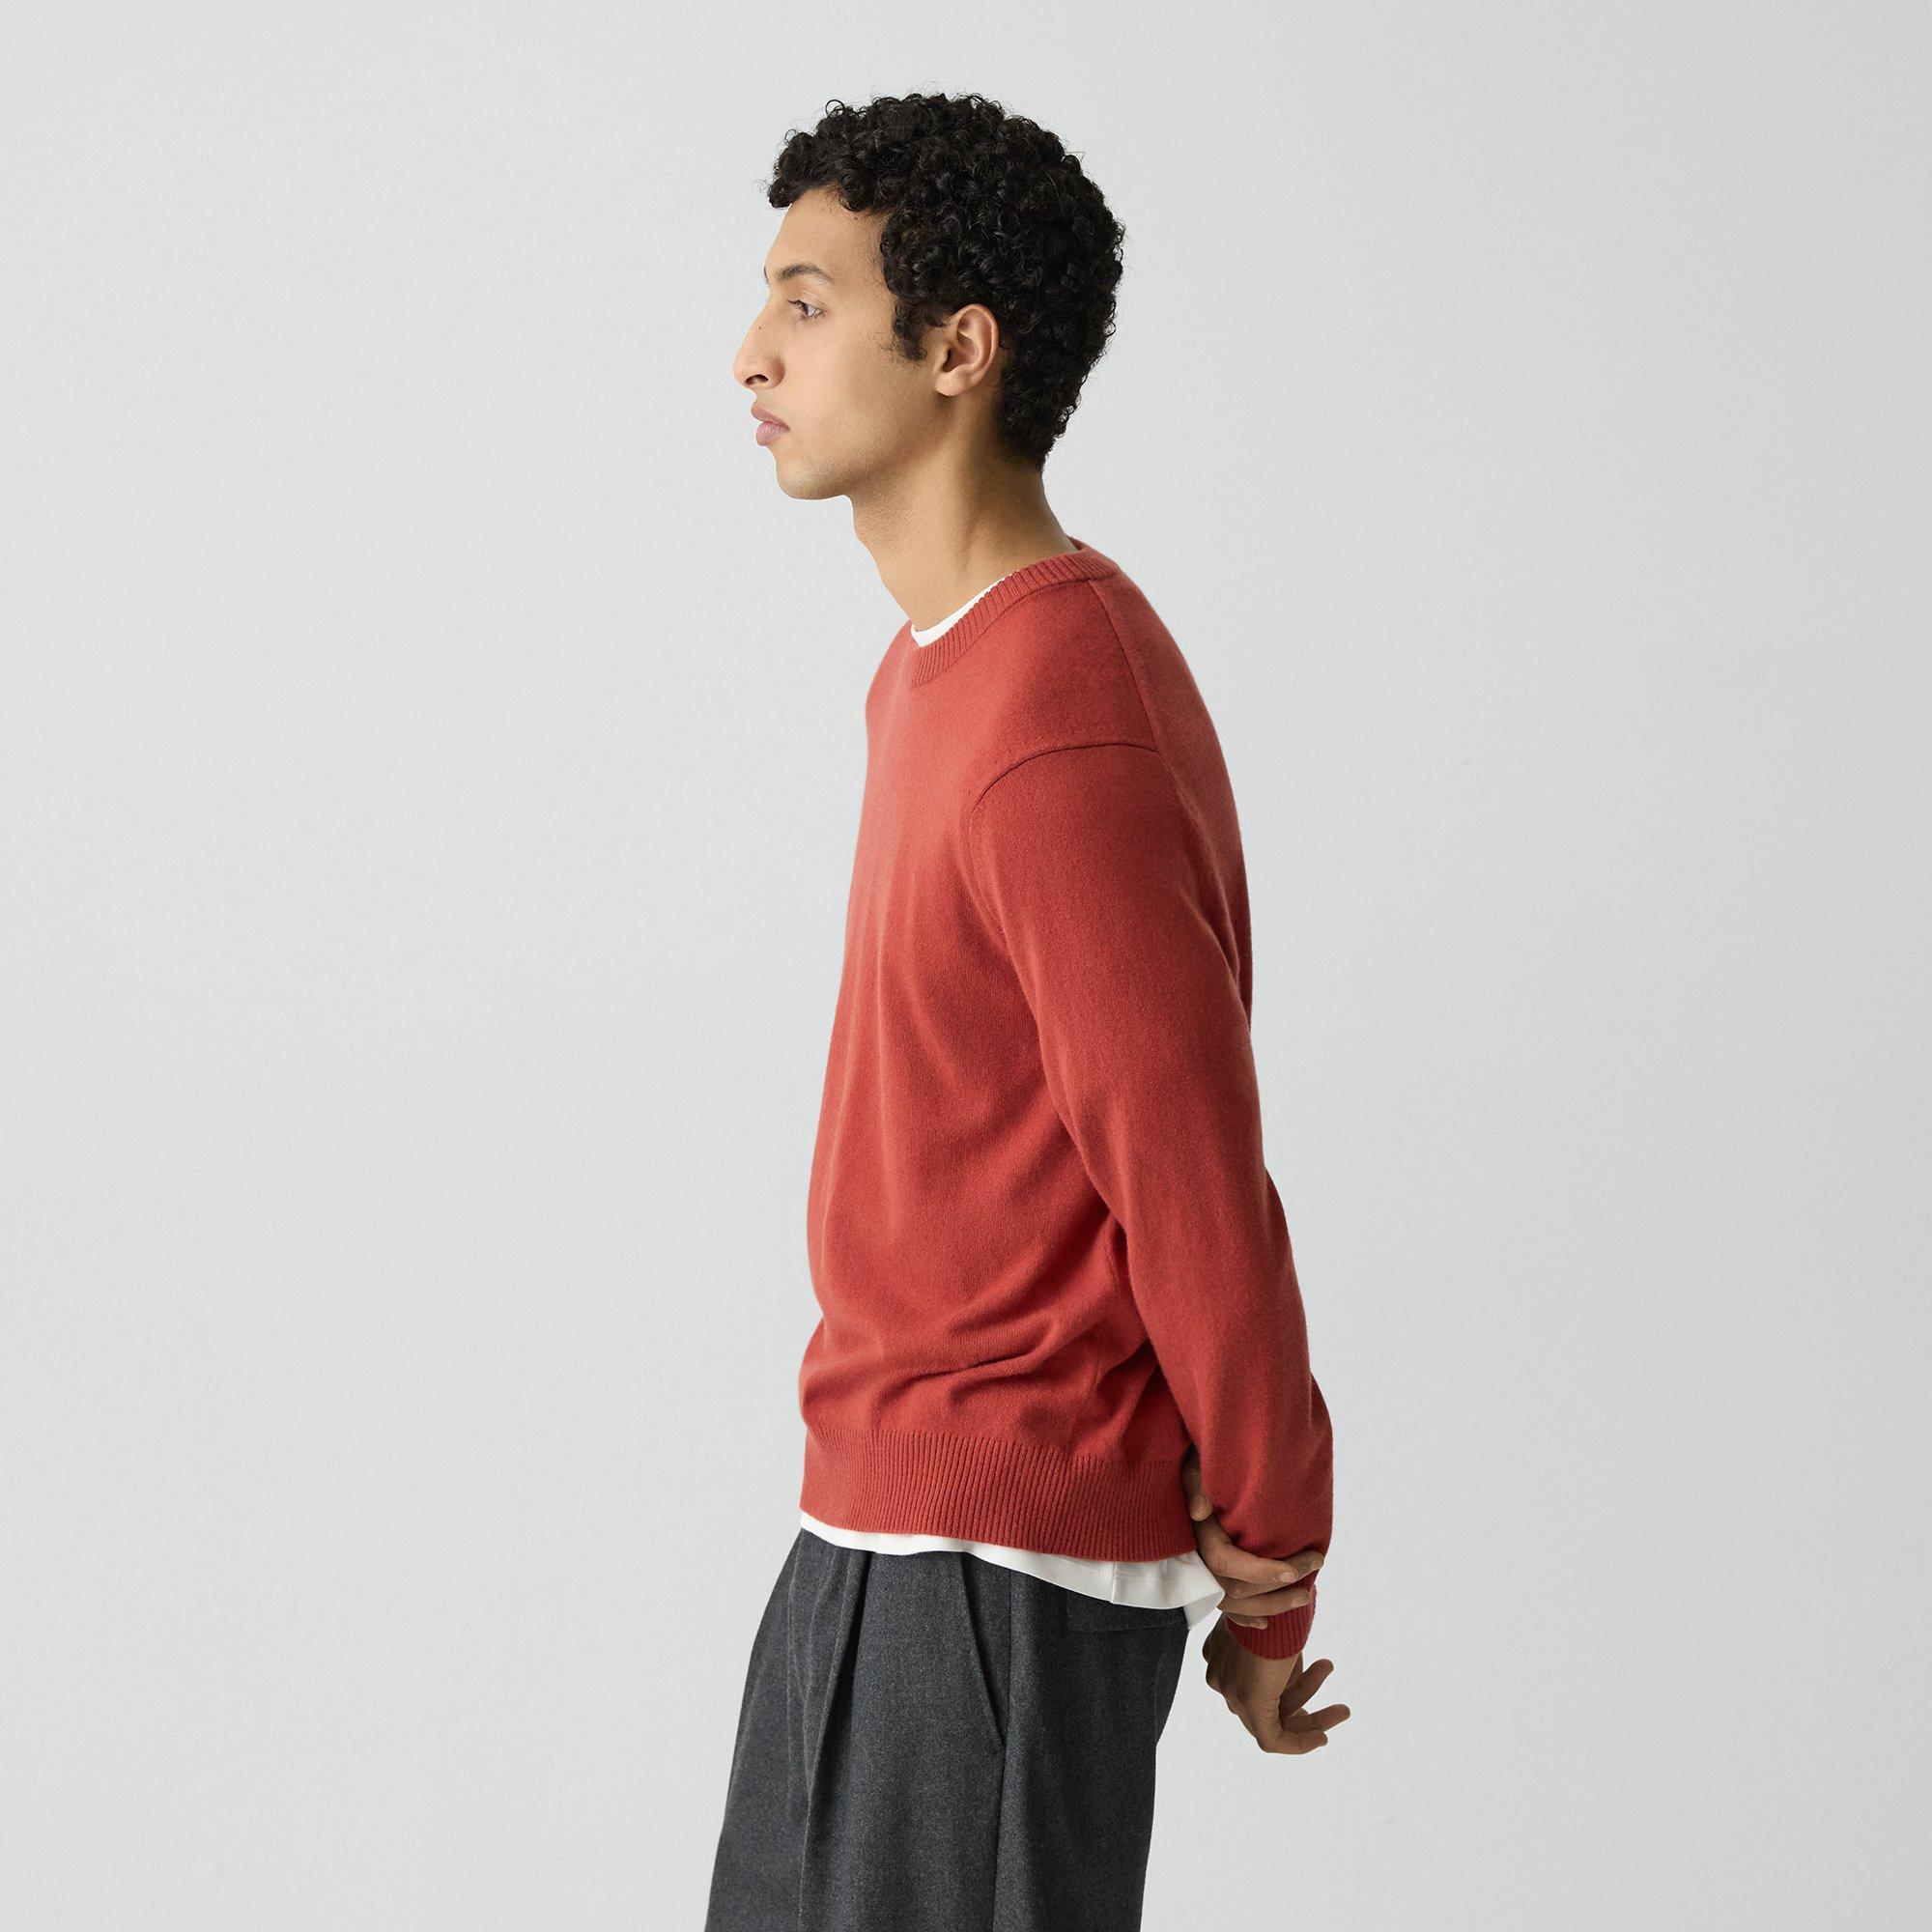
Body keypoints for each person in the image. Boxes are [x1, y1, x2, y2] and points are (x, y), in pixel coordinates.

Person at [708, 90, 1349, 1932]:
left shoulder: (1058, 720)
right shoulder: (936, 677)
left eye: (809, 302)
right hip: (878, 1521)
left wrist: (1275, 1560)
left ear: (958, 352)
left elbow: (1187, 1168)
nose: (751, 352)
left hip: (992, 1569)